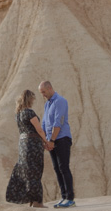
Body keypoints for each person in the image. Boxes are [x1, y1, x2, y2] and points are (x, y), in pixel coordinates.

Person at [6, 89, 48, 208]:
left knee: (28, 171)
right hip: (33, 143)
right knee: (35, 170)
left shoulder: (18, 114)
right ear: (29, 99)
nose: (34, 101)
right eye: (33, 99)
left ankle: (31, 200)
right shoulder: (29, 113)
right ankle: (37, 202)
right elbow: (39, 129)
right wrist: (46, 141)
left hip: (23, 144)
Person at [39, 80, 74, 208]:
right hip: (51, 140)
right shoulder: (48, 104)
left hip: (62, 139)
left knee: (64, 167)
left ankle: (70, 198)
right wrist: (45, 140)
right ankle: (64, 196)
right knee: (57, 169)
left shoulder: (60, 101)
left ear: (49, 88)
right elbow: (44, 123)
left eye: (43, 92)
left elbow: (58, 123)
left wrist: (52, 140)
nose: (42, 94)